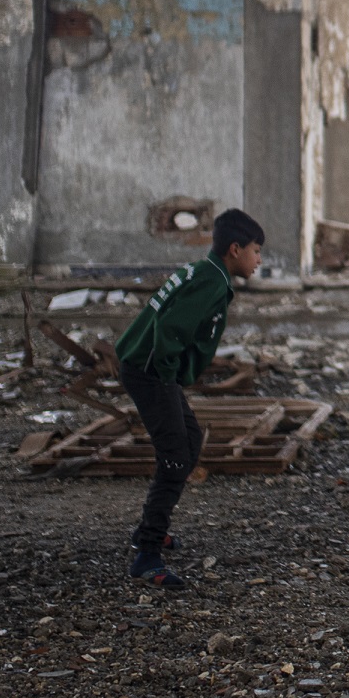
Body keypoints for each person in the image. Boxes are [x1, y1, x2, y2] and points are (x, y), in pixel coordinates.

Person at [113, 209, 266, 590]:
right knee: (176, 455)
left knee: (190, 440)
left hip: (149, 368)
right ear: (235, 249)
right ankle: (147, 554)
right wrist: (168, 375)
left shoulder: (206, 271)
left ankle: (149, 530)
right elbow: (169, 328)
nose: (259, 260)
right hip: (149, 371)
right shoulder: (210, 282)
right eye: (256, 251)